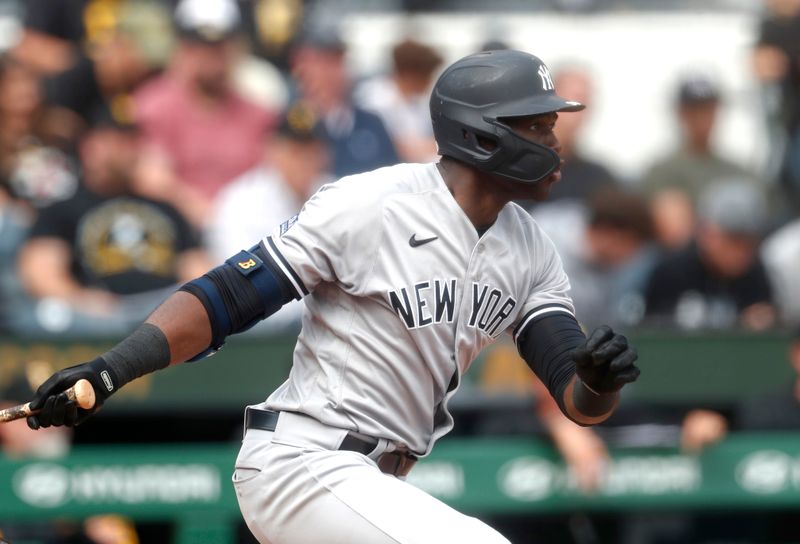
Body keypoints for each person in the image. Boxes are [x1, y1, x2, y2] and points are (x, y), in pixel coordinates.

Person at [26, 50, 640, 544]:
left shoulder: (530, 249)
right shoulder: (372, 203)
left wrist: (597, 380)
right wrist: (111, 371)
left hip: (376, 485)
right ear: (482, 137)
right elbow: (228, 296)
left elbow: (578, 401)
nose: (555, 141)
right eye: (537, 125)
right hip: (303, 464)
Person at [133, 0, 273, 227]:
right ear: (182, 48)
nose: (210, 59)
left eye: (219, 48)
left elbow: (270, 184)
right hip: (180, 232)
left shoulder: (258, 112)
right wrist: (211, 216)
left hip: (247, 233)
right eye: (200, 47)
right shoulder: (153, 105)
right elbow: (152, 180)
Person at [641, 73, 760, 249]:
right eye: (694, 110)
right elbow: (672, 234)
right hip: (684, 263)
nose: (702, 118)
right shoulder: (662, 171)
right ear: (680, 114)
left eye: (708, 109)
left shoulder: (739, 171)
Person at [643, 179, 776, 331]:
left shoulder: (755, 273)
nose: (741, 251)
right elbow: (650, 333)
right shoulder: (671, 271)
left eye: (750, 241)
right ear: (705, 232)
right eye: (733, 239)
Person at [354, 38, 443, 162]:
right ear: (411, 75)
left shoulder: (418, 102)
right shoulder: (375, 99)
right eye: (427, 75)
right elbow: (398, 148)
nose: (430, 81)